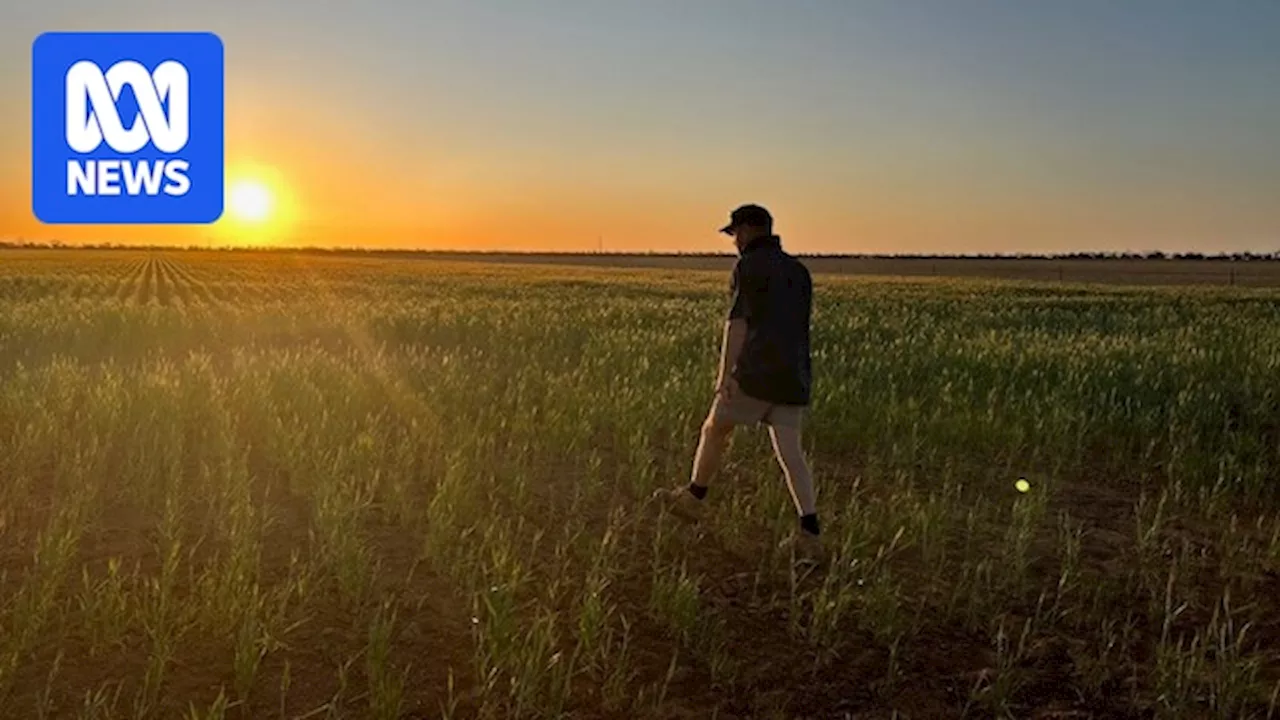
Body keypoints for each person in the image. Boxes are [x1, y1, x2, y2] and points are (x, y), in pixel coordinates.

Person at [653, 204, 823, 564]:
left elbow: (738, 324)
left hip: (755, 373)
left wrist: (724, 376)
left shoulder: (749, 266)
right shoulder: (799, 271)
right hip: (793, 375)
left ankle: (693, 498)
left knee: (715, 429)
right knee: (791, 453)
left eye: (735, 234)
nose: (734, 241)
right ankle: (810, 533)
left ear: (748, 230)